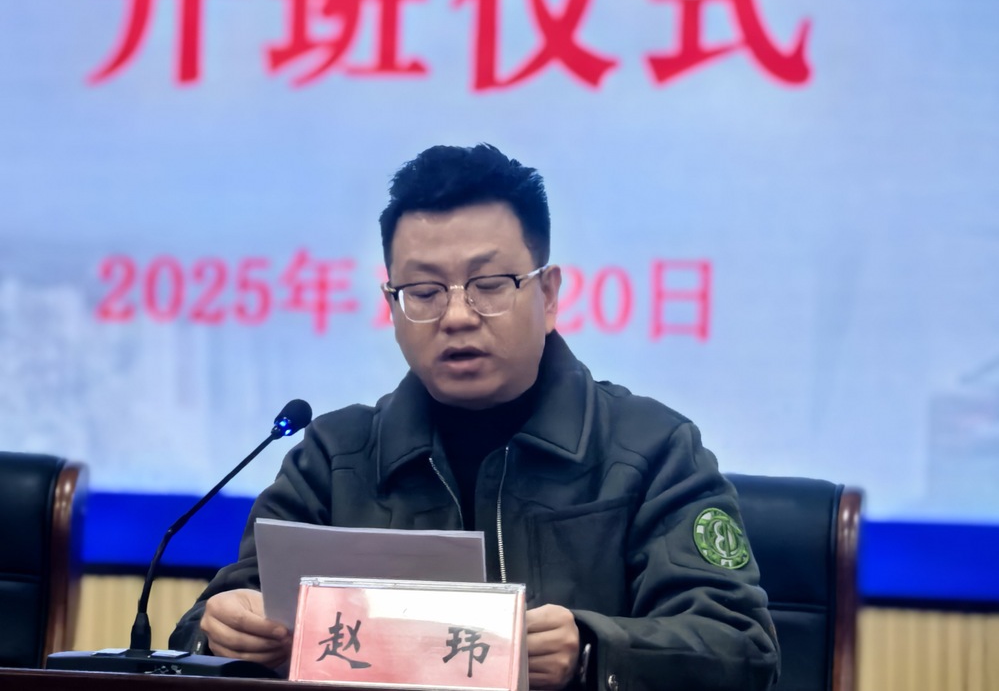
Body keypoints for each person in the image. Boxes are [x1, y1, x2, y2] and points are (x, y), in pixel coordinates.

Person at [170, 144, 780, 690]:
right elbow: (213, 619)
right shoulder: (333, 459)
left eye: (489, 284)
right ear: (392, 304)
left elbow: (742, 648)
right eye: (424, 292)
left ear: (548, 294)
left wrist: (591, 650)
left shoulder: (653, 449)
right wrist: (219, 632)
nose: (457, 316)